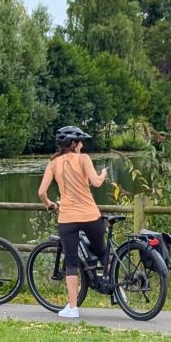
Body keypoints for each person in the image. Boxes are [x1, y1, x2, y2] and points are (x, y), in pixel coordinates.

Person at [36, 126, 109, 319]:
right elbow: (96, 182)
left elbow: (41, 192)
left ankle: (73, 307)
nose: (83, 145)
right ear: (74, 144)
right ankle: (115, 287)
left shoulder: (53, 163)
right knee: (102, 251)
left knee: (71, 262)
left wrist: (51, 204)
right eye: (81, 142)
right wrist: (103, 174)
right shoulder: (84, 159)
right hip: (90, 215)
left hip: (67, 218)